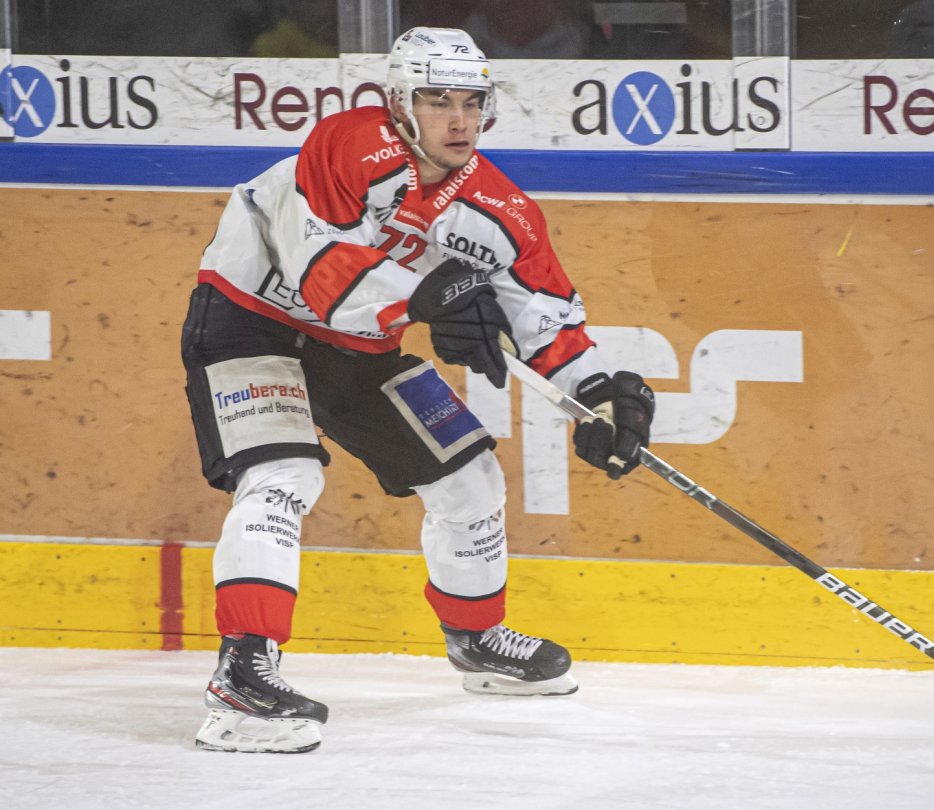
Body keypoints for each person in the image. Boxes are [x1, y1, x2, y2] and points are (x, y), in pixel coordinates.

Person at [181, 26, 655, 753]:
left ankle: (476, 640)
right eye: (437, 100)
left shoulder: (504, 211)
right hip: (249, 323)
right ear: (400, 103)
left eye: (472, 101)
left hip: (358, 350)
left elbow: (545, 318)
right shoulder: (348, 144)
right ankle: (241, 680)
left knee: (472, 475)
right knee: (283, 477)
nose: (458, 118)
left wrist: (595, 394)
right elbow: (324, 273)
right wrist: (429, 301)